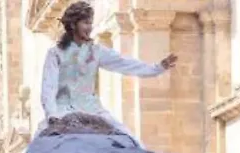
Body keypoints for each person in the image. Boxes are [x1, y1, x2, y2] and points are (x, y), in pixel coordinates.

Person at [39, 2, 177, 145]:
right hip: (63, 110)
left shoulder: (96, 51)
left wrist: (157, 67)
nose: (89, 28)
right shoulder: (55, 54)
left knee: (131, 141)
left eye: (90, 23)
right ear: (73, 25)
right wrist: (52, 115)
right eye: (86, 23)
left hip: (92, 109)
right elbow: (48, 87)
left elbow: (125, 64)